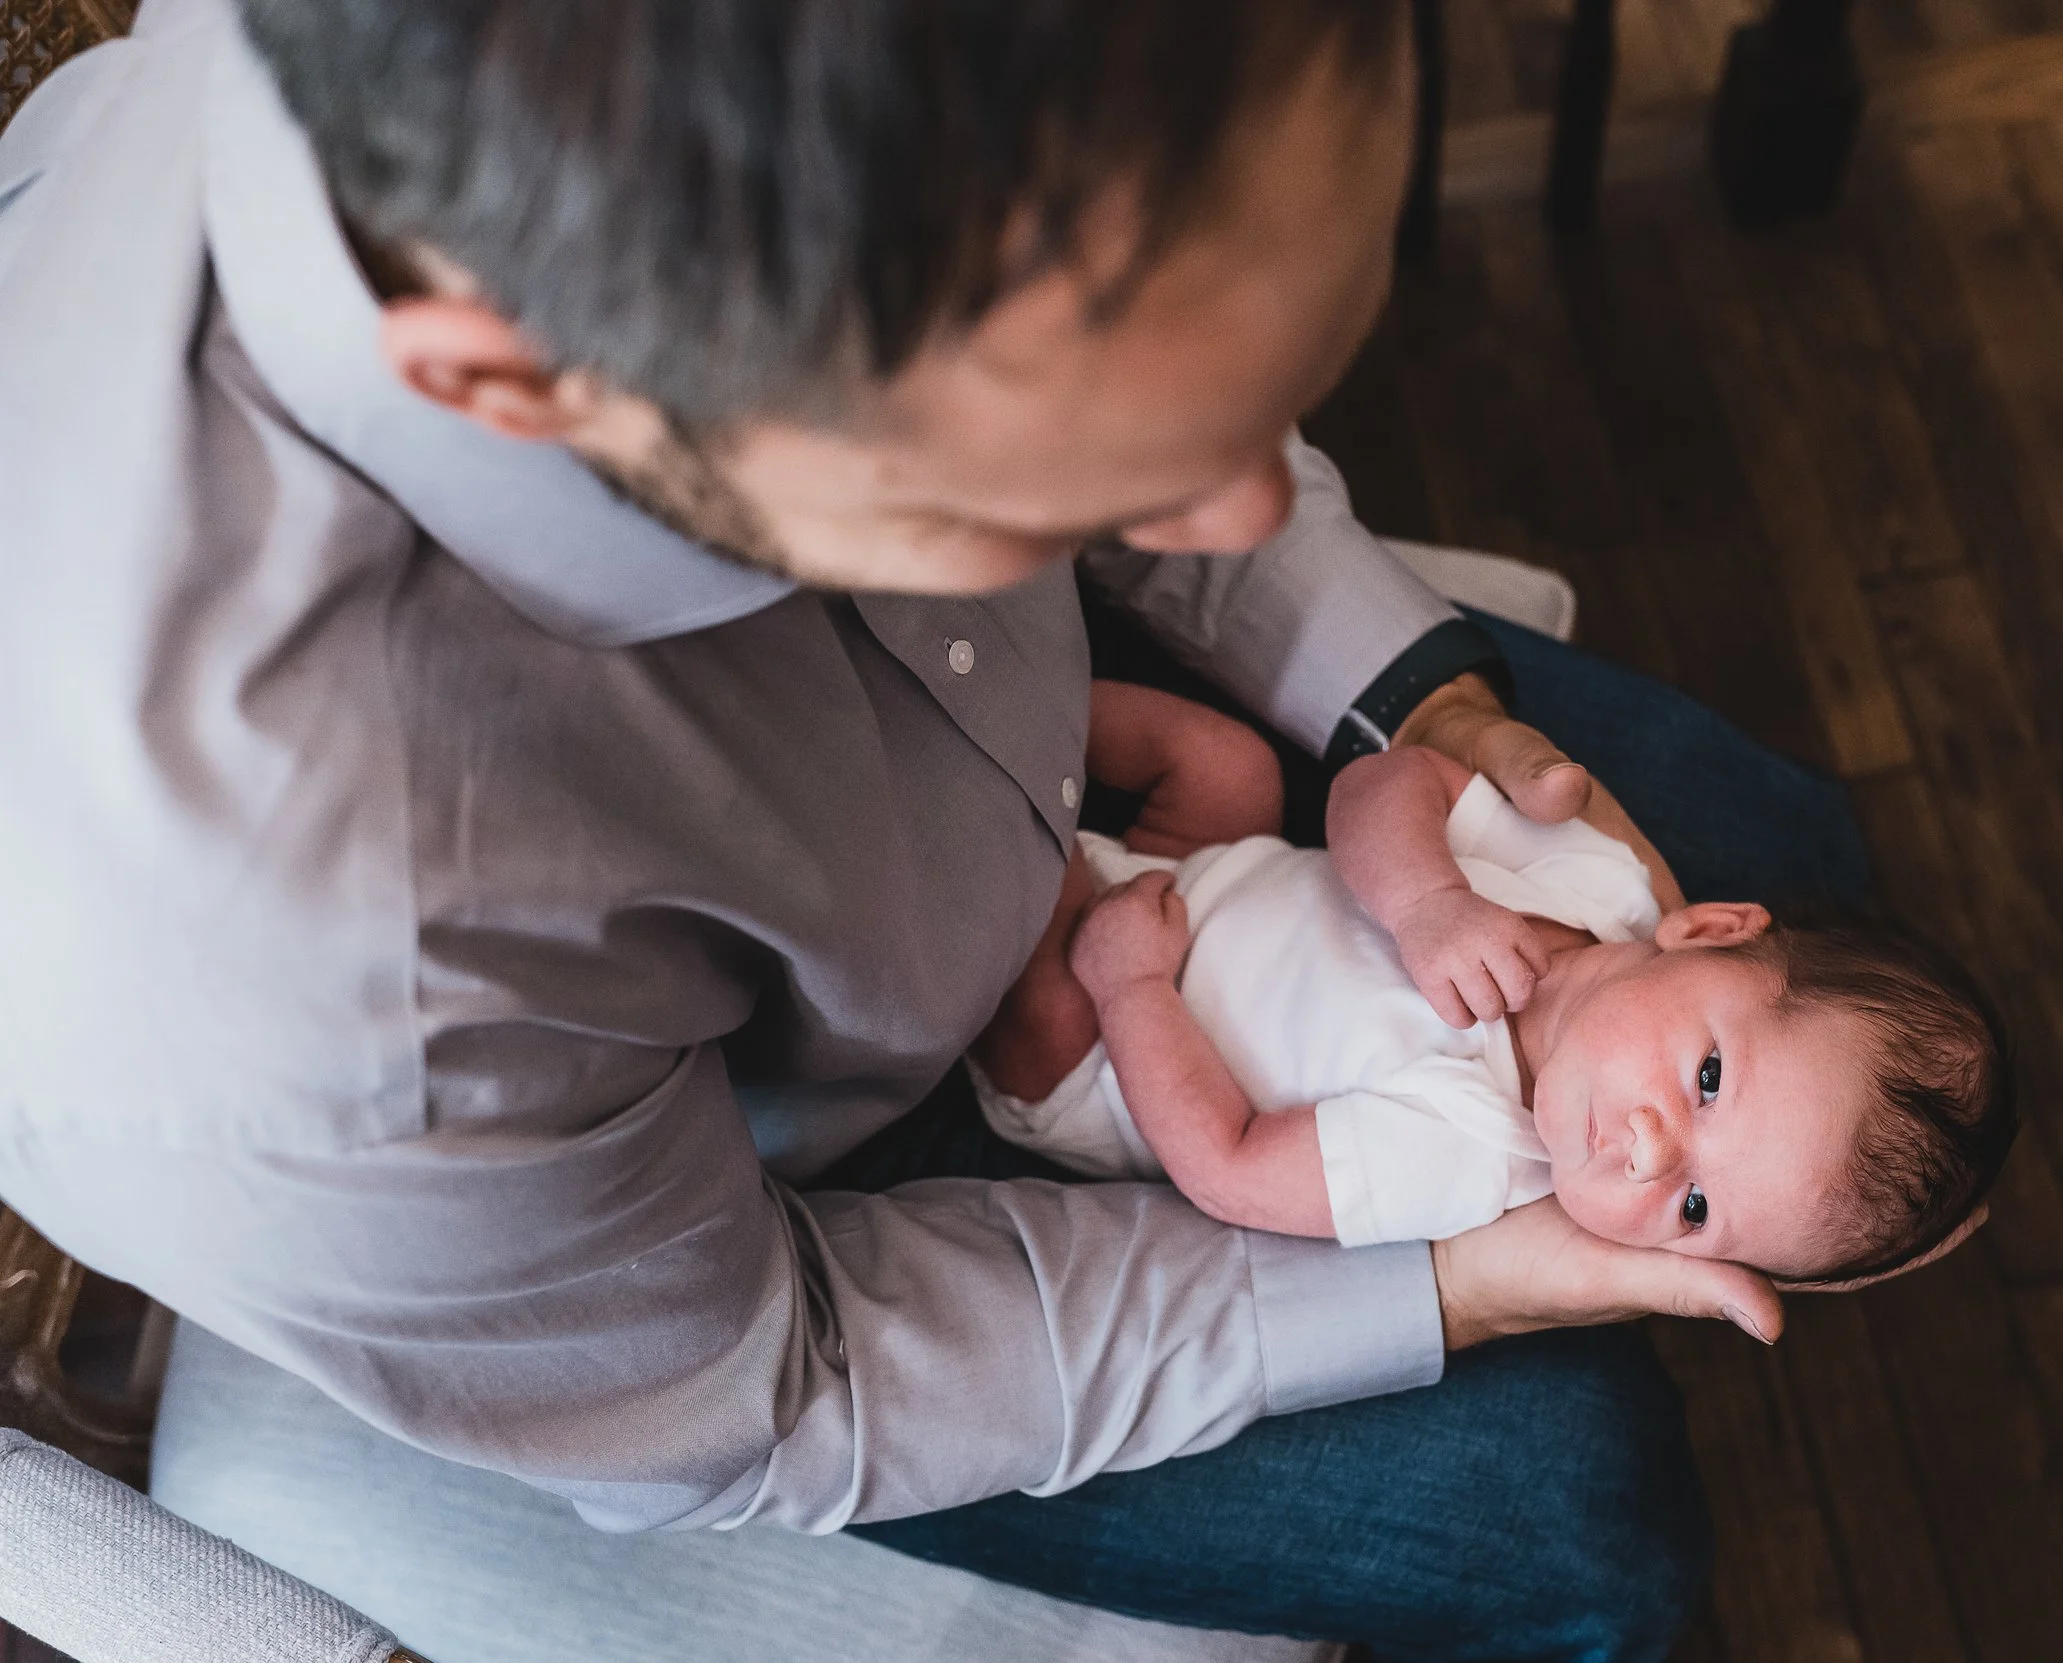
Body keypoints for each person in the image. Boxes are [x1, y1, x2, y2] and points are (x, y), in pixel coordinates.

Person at [0, 0, 1863, 1658]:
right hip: (737, 1212)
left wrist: (1421, 698)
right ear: (529, 388)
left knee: (1796, 859)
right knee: (1593, 1513)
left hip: (1066, 798)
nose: (1245, 516)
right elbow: (776, 1384)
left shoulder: (771, 241)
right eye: (1077, 471)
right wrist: (1437, 1279)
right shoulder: (333, 996)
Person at [978, 683, 2015, 1283]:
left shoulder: (1473, 1152)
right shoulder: (1592, 881)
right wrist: (1429, 900)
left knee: (1038, 909)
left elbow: (1228, 1165)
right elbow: (1385, 783)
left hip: (1108, 1052)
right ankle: (994, 694)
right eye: (1706, 1078)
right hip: (1211, 869)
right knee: (1227, 763)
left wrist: (1133, 991)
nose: (1650, 1153)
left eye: (1695, 1208)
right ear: (1705, 930)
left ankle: (958, 793)